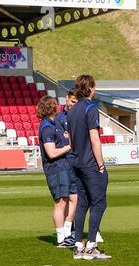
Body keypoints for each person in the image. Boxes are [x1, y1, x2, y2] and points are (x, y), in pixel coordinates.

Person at [67, 75, 111, 260]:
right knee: (99, 203)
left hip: (76, 162)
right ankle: (91, 246)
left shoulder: (72, 110)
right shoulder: (91, 108)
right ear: (91, 88)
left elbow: (71, 140)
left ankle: (78, 246)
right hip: (90, 163)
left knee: (82, 203)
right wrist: (101, 164)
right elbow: (94, 138)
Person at [54, 89, 104, 243]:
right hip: (68, 161)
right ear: (66, 99)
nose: (74, 104)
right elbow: (62, 140)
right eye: (72, 101)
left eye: (76, 101)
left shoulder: (78, 113)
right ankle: (70, 232)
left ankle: (91, 232)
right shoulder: (60, 118)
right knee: (73, 199)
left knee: (84, 198)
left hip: (78, 160)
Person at [37, 96, 77, 248]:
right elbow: (51, 153)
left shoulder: (55, 123)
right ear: (51, 107)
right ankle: (61, 238)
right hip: (56, 169)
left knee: (74, 198)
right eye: (54, 103)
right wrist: (70, 146)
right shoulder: (46, 126)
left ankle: (67, 232)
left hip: (65, 166)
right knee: (61, 203)